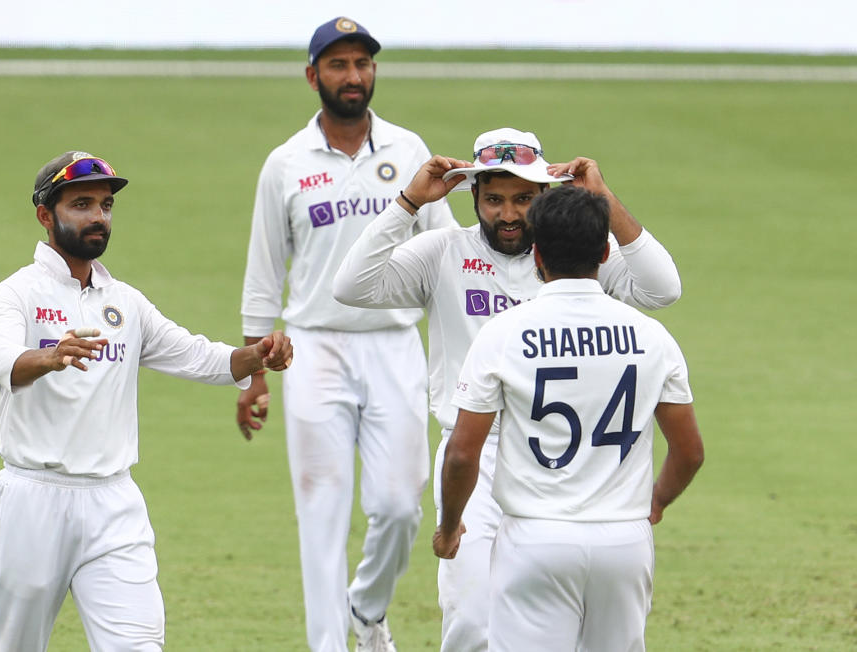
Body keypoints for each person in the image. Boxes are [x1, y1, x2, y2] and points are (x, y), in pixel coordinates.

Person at [332, 128, 683, 651]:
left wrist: (603, 199)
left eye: (523, 198)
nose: (509, 214)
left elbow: (663, 288)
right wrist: (408, 202)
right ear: (472, 196)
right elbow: (351, 286)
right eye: (494, 199)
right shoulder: (442, 252)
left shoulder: (574, 256)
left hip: (560, 457)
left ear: (544, 197)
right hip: (477, 453)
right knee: (471, 623)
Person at [0, 150, 293, 651]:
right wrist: (51, 357)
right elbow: (4, 364)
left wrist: (255, 357)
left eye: (105, 206)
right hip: (33, 499)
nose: (98, 217)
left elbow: (197, 357)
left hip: (113, 503)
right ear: (45, 215)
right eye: (82, 204)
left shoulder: (123, 302)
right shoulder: (16, 293)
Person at [236, 16, 456, 652]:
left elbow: (445, 253)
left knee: (399, 507)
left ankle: (367, 608)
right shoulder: (285, 163)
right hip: (314, 348)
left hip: (394, 345)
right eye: (338, 65)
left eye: (362, 63)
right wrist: (254, 373)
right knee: (321, 516)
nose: (353, 76)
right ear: (313, 77)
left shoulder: (411, 152)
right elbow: (263, 273)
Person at [433, 184, 704, 651]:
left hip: (536, 538)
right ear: (604, 252)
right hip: (625, 541)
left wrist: (450, 524)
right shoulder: (652, 336)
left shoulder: (504, 333)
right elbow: (690, 452)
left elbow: (461, 453)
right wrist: (655, 501)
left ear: (537, 255)